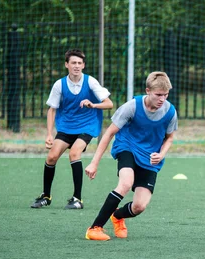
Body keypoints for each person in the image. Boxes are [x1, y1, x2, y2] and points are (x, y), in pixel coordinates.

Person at [84, 71, 178, 241]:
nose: (162, 99)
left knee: (140, 206)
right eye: (158, 95)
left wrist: (162, 154)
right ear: (148, 90)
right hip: (127, 147)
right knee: (125, 183)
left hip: (150, 158)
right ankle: (95, 228)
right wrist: (94, 163)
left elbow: (170, 137)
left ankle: (117, 216)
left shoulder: (170, 112)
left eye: (165, 95)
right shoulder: (132, 106)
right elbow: (109, 133)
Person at [31, 49, 113, 209]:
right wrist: (49, 134)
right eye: (73, 63)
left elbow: (109, 104)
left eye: (79, 63)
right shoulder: (59, 84)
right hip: (67, 126)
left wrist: (93, 104)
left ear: (83, 65)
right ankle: (46, 196)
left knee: (74, 153)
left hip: (87, 125)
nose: (76, 66)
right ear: (66, 65)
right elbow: (52, 109)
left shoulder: (90, 82)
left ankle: (77, 199)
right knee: (51, 157)